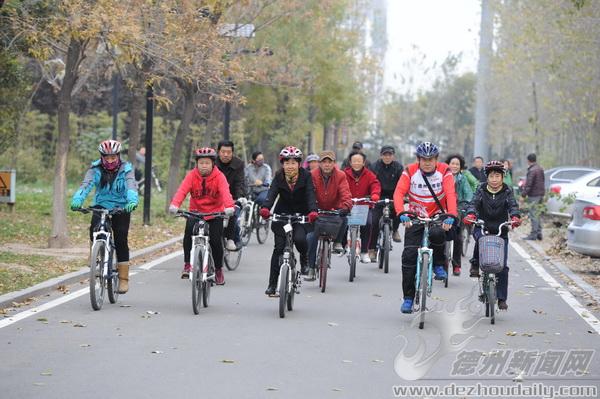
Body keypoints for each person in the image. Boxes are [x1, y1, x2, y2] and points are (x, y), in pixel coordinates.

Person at [393, 142, 457, 314]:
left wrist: (451, 215)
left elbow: (450, 194)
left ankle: (438, 264)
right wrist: (401, 213)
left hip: (437, 214)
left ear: (436, 160)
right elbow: (399, 193)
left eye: (431, 159)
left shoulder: (444, 171)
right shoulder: (409, 171)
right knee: (409, 255)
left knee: (437, 233)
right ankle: (408, 298)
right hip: (415, 216)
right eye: (424, 159)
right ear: (418, 159)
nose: (427, 162)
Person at [70, 139, 139, 294]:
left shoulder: (126, 169)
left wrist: (132, 201)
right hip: (101, 204)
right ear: (101, 157)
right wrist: (78, 198)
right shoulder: (95, 169)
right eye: (106, 158)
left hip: (122, 206)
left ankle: (123, 279)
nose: (110, 161)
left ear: (118, 156)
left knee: (121, 238)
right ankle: (95, 254)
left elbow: (131, 186)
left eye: (113, 157)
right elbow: (86, 185)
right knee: (93, 229)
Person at [169, 147, 235, 285]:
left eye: (207, 163)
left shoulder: (219, 176)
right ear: (197, 164)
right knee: (188, 234)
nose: (204, 166)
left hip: (214, 213)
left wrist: (229, 207)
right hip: (196, 212)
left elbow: (225, 192)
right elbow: (182, 190)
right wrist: (175, 205)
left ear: (212, 164)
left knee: (216, 242)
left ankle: (218, 270)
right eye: (201, 163)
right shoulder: (192, 175)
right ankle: (187, 264)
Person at [259, 146, 318, 296]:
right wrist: (266, 208)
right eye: (287, 163)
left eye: (293, 162)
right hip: (283, 214)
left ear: (299, 164)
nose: (290, 166)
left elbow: (310, 194)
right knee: (278, 248)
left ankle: (304, 259)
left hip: (301, 215)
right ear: (282, 164)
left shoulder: (306, 176)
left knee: (300, 239)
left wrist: (312, 211)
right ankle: (272, 284)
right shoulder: (279, 176)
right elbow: (271, 194)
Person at [463, 160, 521, 310]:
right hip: (482, 226)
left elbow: (513, 206)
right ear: (487, 177)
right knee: (480, 239)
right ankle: (475, 263)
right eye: (491, 176)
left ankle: (501, 298)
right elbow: (474, 204)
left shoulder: (507, 191)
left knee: (502, 266)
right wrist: (471, 214)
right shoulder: (481, 189)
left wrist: (514, 217)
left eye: (497, 176)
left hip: (501, 230)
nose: (494, 179)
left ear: (502, 177)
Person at [305, 150, 352, 281]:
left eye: (329, 162)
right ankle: (311, 268)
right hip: (316, 210)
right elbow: (309, 193)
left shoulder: (341, 175)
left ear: (334, 163)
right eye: (324, 162)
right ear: (319, 163)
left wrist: (346, 206)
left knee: (345, 219)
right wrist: (311, 208)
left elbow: (345, 193)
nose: (326, 165)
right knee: (310, 238)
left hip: (334, 210)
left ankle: (337, 242)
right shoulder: (312, 175)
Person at [344, 151, 381, 263]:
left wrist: (375, 194)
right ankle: (343, 245)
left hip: (364, 205)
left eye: (359, 161)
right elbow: (339, 186)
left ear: (364, 162)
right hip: (348, 205)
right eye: (354, 161)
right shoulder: (344, 174)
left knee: (368, 223)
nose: (356, 163)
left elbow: (375, 184)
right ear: (350, 162)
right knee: (342, 221)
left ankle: (364, 251)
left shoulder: (369, 175)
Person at [445, 154, 474, 276]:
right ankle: (439, 263)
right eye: (453, 163)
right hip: (444, 210)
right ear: (448, 164)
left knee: (458, 238)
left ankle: (456, 265)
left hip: (458, 210)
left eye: (457, 164)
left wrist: (465, 207)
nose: (455, 166)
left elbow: (468, 195)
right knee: (439, 236)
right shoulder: (442, 177)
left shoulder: (463, 179)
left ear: (460, 166)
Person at [215, 140, 246, 250]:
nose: (226, 155)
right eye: (223, 152)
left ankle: (231, 239)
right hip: (214, 197)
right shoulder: (211, 162)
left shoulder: (239, 164)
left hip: (233, 196)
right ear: (218, 152)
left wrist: (239, 197)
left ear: (232, 153)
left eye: (228, 152)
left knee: (233, 213)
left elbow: (240, 182)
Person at [371, 145, 404, 244]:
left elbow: (403, 182)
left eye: (390, 155)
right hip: (378, 195)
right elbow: (371, 182)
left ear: (393, 156)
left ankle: (395, 230)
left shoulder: (398, 167)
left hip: (394, 195)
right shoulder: (374, 166)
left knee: (399, 212)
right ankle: (372, 249)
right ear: (381, 156)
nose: (387, 157)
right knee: (374, 221)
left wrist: (404, 196)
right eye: (385, 155)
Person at [521, 153, 545, 240]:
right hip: (540, 194)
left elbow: (528, 184)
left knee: (534, 214)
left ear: (528, 160)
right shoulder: (540, 168)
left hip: (534, 195)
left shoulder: (532, 170)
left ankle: (533, 234)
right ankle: (539, 233)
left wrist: (523, 195)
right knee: (538, 214)